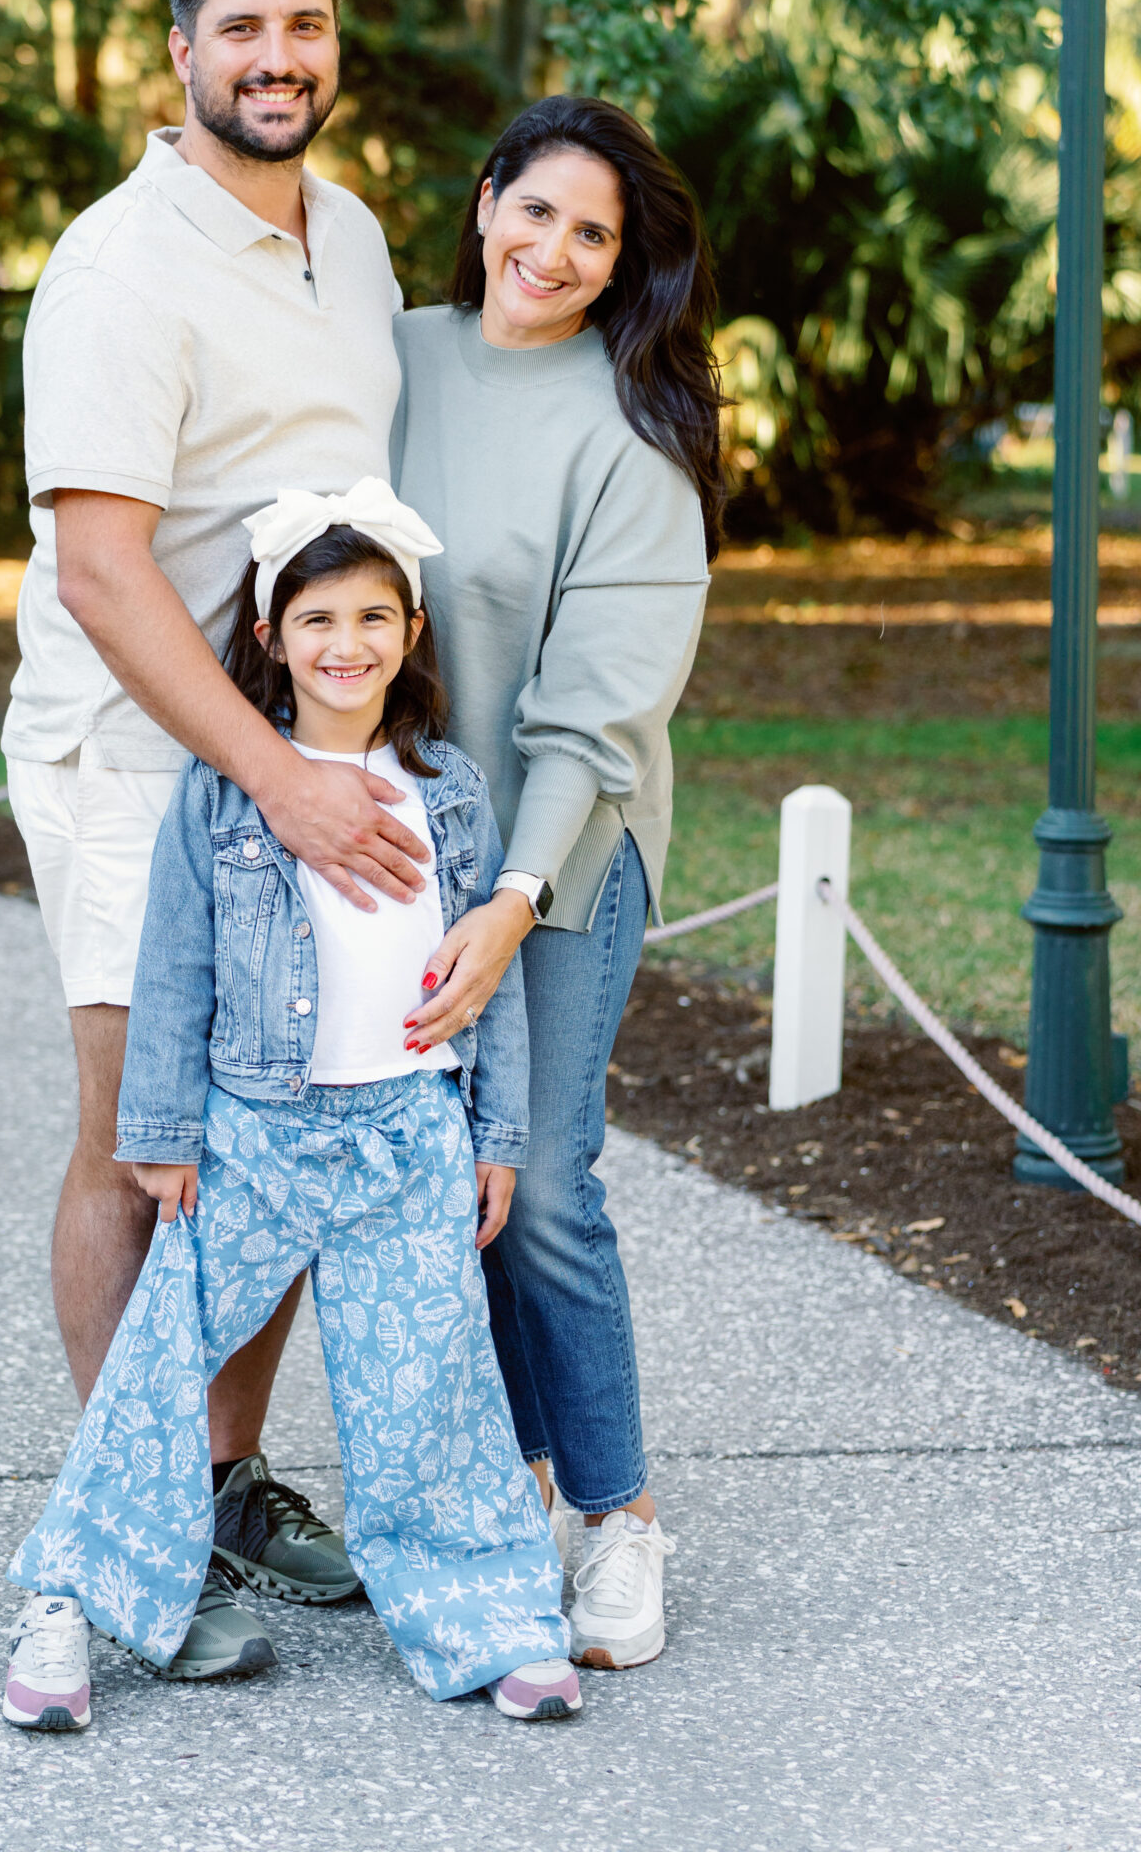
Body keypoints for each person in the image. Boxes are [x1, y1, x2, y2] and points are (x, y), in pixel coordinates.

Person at [1, 0, 433, 1681]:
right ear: (178, 52)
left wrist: (336, 772)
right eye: (241, 28)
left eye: (306, 26)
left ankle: (224, 1481)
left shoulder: (357, 234)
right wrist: (272, 778)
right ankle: (135, 1537)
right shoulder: (118, 266)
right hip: (137, 759)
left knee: (287, 1134)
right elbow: (104, 576)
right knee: (145, 1138)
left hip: (309, 764)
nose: (278, 58)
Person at [3, 488, 580, 1728]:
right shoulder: (228, 795)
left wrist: (495, 1134)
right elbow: (172, 969)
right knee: (158, 1372)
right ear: (270, 633)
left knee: (429, 1386)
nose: (347, 641)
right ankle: (72, 1603)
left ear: (411, 629)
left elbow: (497, 984)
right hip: (252, 1138)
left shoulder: (453, 791)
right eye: (317, 615)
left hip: (410, 1136)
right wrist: (158, 1135)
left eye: (376, 615)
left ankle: (492, 1618)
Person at [390, 94, 723, 1674]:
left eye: (592, 234)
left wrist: (510, 897)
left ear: (621, 261)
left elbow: (595, 710)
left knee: (541, 1186)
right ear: (482, 204)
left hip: (564, 850)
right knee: (452, 1196)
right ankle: (509, 1498)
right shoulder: (389, 358)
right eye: (535, 213)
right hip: (396, 848)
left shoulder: (632, 424)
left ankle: (618, 1520)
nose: (555, 253)